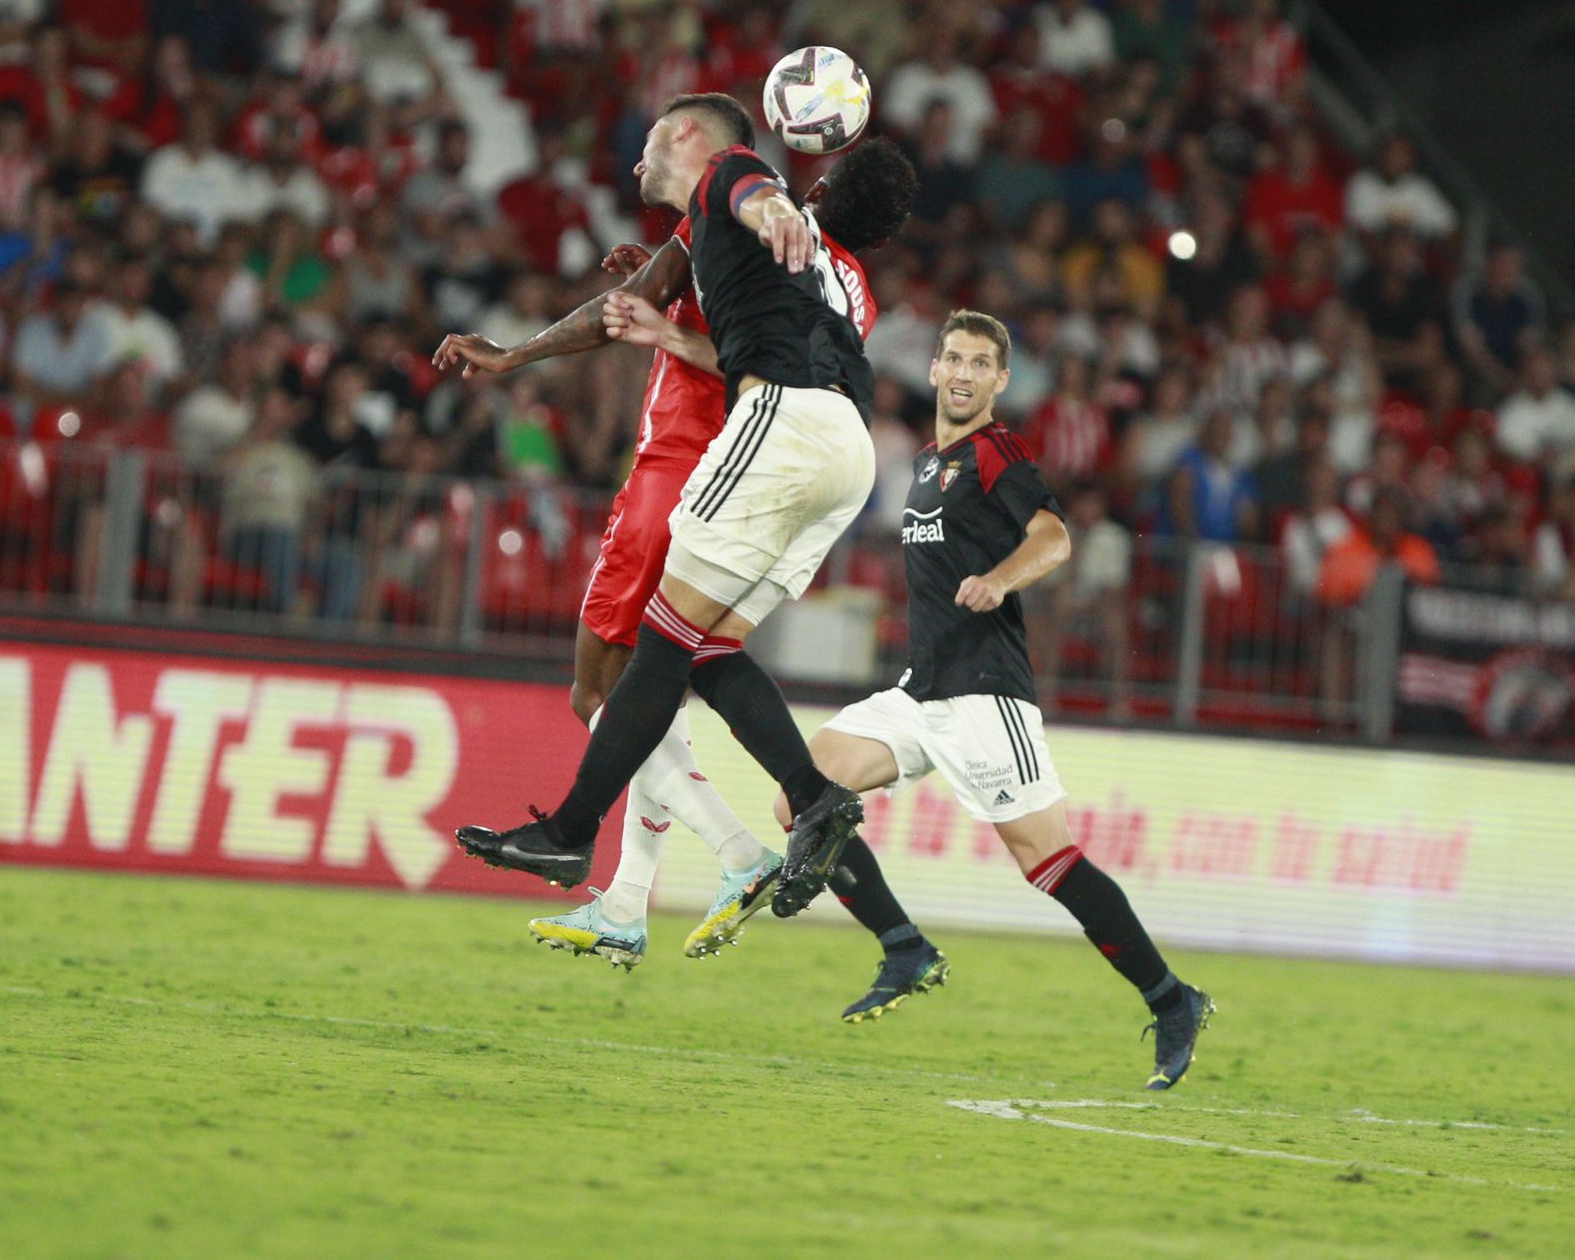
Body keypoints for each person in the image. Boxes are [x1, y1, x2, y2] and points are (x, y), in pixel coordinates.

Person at [443, 98, 912, 921]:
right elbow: (743, 327)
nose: (640, 155)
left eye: (657, 135)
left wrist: (523, 353)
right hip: (849, 452)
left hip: (740, 441)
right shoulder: (848, 288)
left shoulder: (739, 181)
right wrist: (688, 287)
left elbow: (750, 195)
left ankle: (618, 842)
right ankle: (715, 854)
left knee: (621, 675)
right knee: (703, 651)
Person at [763, 310, 1213, 1090]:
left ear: (1001, 381)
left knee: (1046, 861)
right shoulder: (929, 464)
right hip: (921, 690)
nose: (965, 373)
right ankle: (904, 946)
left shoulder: (996, 453)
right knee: (801, 795)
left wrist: (1002, 579)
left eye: (981, 363)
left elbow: (1055, 536)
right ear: (935, 369)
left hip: (985, 693)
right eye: (954, 359)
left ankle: (1172, 999)